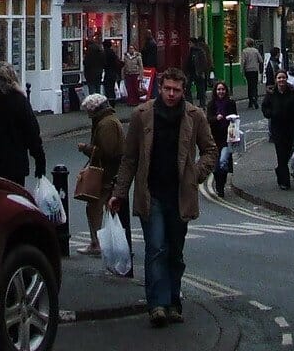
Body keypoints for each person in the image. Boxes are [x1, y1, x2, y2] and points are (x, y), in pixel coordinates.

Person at [111, 67, 216, 328]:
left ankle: (173, 302)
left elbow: (210, 150)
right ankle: (157, 304)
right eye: (167, 89)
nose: (171, 94)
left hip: (180, 195)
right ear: (159, 87)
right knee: (156, 248)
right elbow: (130, 159)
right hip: (152, 193)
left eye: (176, 90)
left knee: (175, 252)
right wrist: (119, 193)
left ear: (183, 91)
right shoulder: (142, 115)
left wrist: (196, 174)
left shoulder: (195, 116)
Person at [75, 92, 126, 256]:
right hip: (110, 172)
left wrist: (86, 149)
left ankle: (97, 243)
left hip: (105, 173)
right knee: (108, 208)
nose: (88, 115)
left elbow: (107, 151)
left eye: (88, 111)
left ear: (94, 110)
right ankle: (110, 241)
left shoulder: (106, 124)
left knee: (94, 208)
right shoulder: (107, 120)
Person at [260, 68, 294, 190]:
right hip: (277, 129)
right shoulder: (271, 94)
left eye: (283, 77)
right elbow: (265, 108)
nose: (281, 80)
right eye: (279, 78)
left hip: (291, 128)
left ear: (286, 79)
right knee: (281, 155)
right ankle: (285, 182)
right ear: (276, 80)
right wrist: (271, 113)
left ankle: (280, 170)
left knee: (287, 153)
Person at [205, 80, 240, 198]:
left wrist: (232, 119)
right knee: (216, 166)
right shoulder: (211, 104)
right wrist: (216, 118)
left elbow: (236, 117)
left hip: (227, 138)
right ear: (215, 91)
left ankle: (221, 186)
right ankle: (219, 186)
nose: (221, 91)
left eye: (223, 89)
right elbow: (208, 119)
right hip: (214, 139)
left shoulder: (230, 103)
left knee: (223, 162)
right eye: (219, 89)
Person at [185, 36, 213, 103]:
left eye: (190, 43)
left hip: (198, 72)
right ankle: (190, 102)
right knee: (187, 88)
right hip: (191, 73)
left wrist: (201, 71)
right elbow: (189, 62)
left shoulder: (200, 51)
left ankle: (202, 104)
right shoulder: (191, 51)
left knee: (201, 89)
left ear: (193, 43)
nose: (188, 44)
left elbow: (204, 62)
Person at [240, 40, 263, 108]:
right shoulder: (256, 51)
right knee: (254, 85)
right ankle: (255, 98)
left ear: (247, 43)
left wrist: (241, 70)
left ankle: (250, 101)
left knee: (250, 85)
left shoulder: (244, 51)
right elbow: (261, 60)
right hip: (255, 70)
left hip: (248, 70)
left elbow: (243, 61)